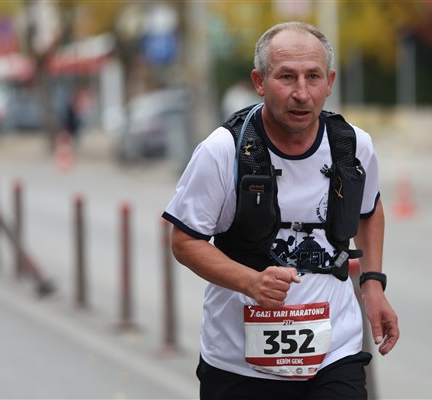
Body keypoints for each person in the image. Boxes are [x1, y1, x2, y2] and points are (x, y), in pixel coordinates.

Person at [162, 21, 399, 400]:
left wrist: (373, 286)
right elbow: (184, 241)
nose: (301, 93)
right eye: (287, 77)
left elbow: (368, 212)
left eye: (313, 76)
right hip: (238, 363)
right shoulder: (223, 151)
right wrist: (251, 282)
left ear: (330, 82)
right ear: (259, 81)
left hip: (333, 356)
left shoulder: (354, 146)